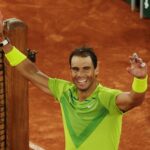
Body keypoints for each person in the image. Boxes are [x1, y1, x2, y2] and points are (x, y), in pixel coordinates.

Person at [0, 12, 148, 150]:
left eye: (86, 68)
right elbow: (32, 72)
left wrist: (140, 78)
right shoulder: (64, 92)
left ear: (96, 70)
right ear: (70, 70)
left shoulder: (107, 98)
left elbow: (133, 99)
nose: (81, 74)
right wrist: (4, 43)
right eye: (75, 69)